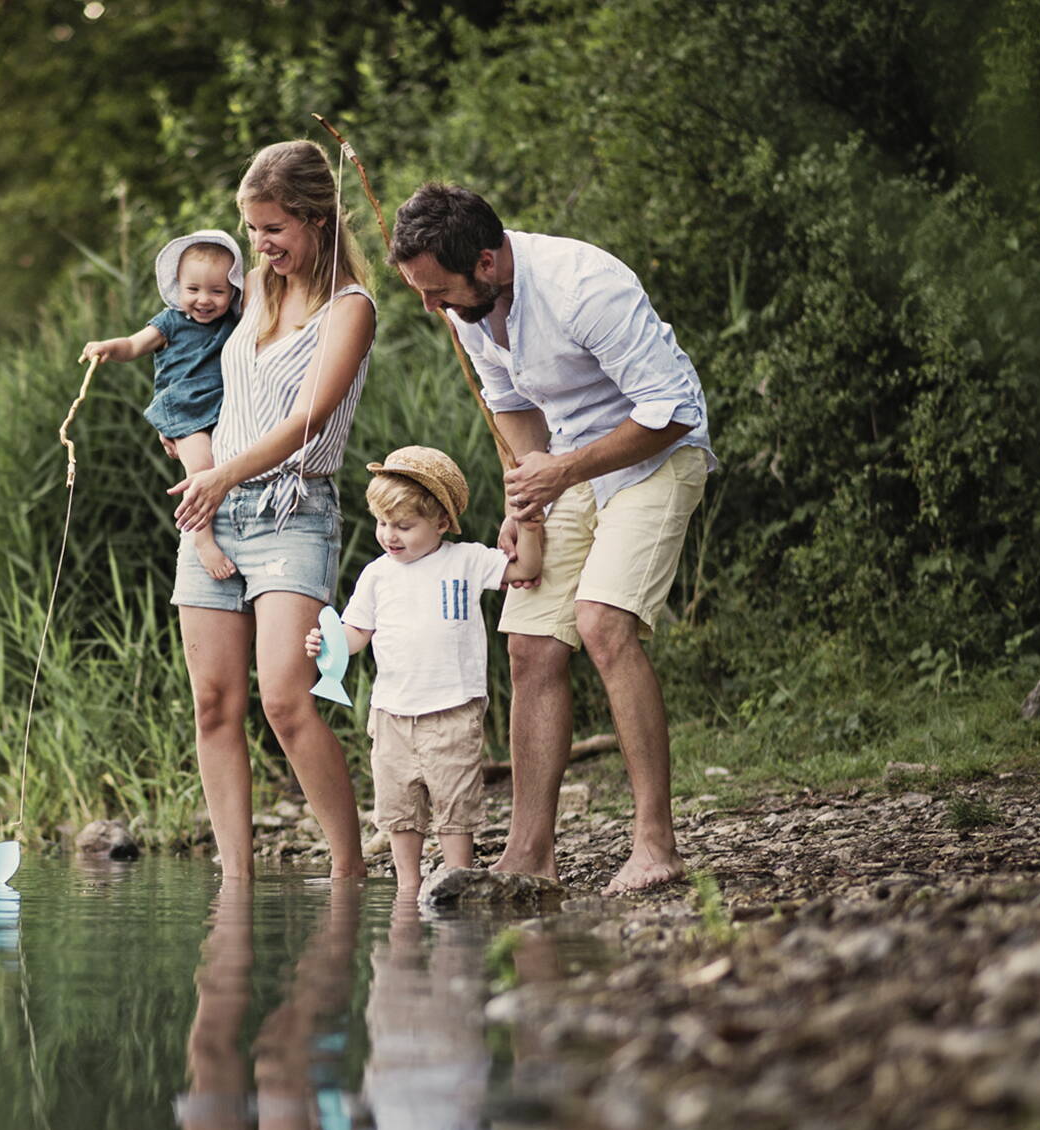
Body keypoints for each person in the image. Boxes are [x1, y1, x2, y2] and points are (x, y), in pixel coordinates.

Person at [388, 182, 716, 894]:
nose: (431, 307)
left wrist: (561, 470)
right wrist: (525, 494)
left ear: (486, 261)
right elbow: (512, 408)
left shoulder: (582, 286)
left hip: (657, 456)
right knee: (531, 642)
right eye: (420, 292)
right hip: (568, 466)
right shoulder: (466, 309)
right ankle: (529, 855)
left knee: (601, 623)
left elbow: (674, 411)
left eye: (438, 290)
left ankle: (655, 844)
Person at [168, 140, 377, 880]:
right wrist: (201, 473)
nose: (260, 245)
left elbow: (310, 422)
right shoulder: (249, 288)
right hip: (213, 512)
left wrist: (221, 475)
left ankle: (349, 870)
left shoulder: (351, 308)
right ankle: (236, 881)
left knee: (288, 699)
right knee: (213, 704)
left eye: (275, 229)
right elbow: (184, 383)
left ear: (317, 220)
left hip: (294, 510)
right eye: (254, 230)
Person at [304, 446, 542, 895]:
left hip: (453, 709)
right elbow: (356, 633)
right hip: (393, 714)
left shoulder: (466, 560)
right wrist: (326, 643)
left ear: (441, 523)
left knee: (455, 803)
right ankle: (407, 890)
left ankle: (457, 881)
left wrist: (529, 525)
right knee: (398, 808)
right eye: (382, 523)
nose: (390, 536)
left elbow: (526, 567)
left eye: (404, 526)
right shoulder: (377, 574)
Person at [81, 230, 245, 578]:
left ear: (232, 290)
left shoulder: (234, 324)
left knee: (229, 464)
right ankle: (201, 539)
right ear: (177, 286)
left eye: (217, 291)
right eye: (193, 290)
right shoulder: (171, 321)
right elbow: (133, 344)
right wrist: (109, 348)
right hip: (185, 409)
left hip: (223, 409)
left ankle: (233, 527)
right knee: (201, 469)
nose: (204, 300)